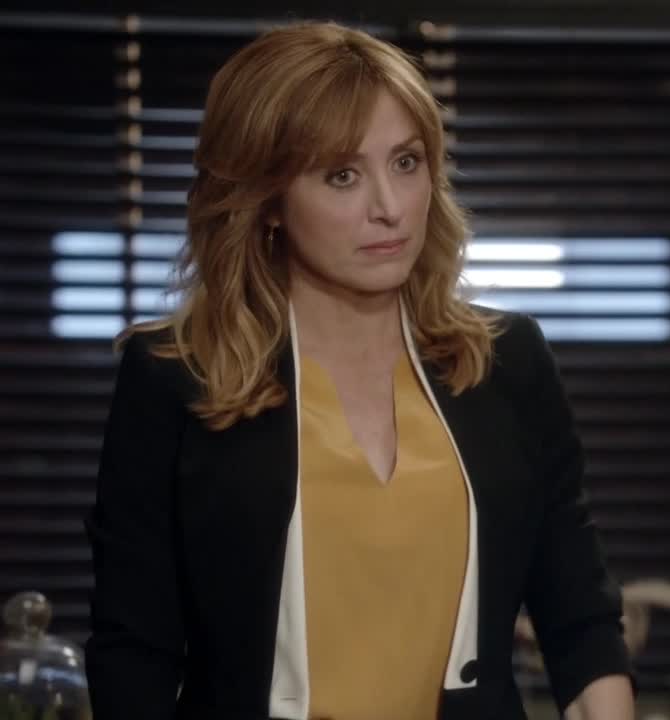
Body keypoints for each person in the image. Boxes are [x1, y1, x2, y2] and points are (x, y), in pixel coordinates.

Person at [82, 20, 634, 720]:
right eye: (342, 175)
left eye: (406, 162)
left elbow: (579, 617)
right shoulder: (177, 378)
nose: (390, 208)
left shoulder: (505, 361)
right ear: (268, 201)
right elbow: (135, 648)